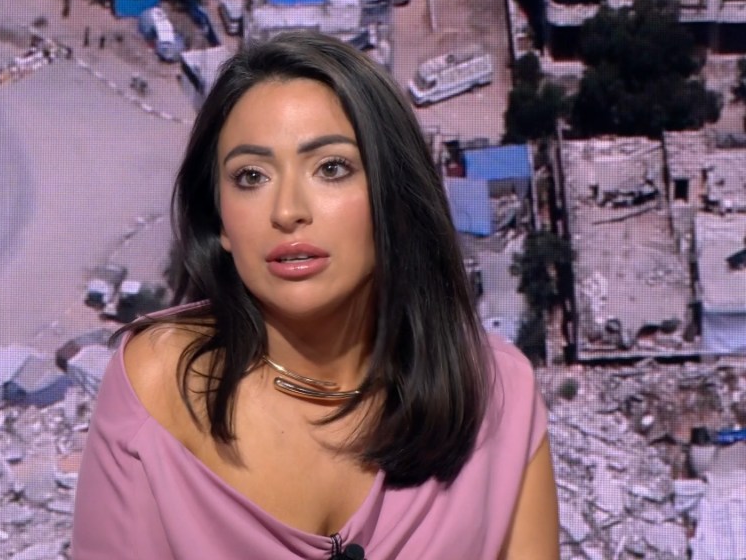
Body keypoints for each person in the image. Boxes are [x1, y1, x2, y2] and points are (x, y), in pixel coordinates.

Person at [72, 30, 560, 559]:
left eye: (331, 168)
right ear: (221, 224)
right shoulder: (155, 389)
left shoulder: (500, 395)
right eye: (251, 176)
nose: (287, 210)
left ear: (393, 196)